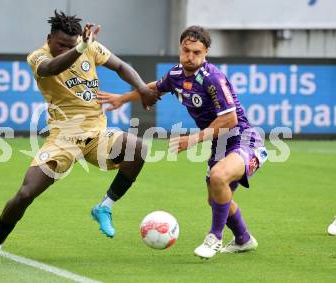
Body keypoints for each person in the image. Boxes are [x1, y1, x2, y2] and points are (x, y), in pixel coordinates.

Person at [0, 10, 159, 257]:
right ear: (49, 38)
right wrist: (79, 48)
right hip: (62, 139)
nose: (66, 49)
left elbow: (120, 66)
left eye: (71, 45)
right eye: (61, 45)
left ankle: (104, 207)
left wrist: (142, 88)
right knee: (25, 194)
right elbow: (51, 68)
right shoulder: (38, 57)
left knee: (139, 148)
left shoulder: (87, 46)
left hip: (96, 134)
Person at [98, 26, 268, 259]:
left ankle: (214, 238)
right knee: (216, 197)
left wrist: (194, 139)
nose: (190, 56)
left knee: (218, 177)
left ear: (206, 52)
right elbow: (153, 89)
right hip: (219, 144)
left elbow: (230, 118)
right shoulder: (176, 75)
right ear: (180, 48)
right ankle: (243, 239)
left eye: (196, 52)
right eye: (186, 50)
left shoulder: (212, 78)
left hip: (245, 140)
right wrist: (123, 98)